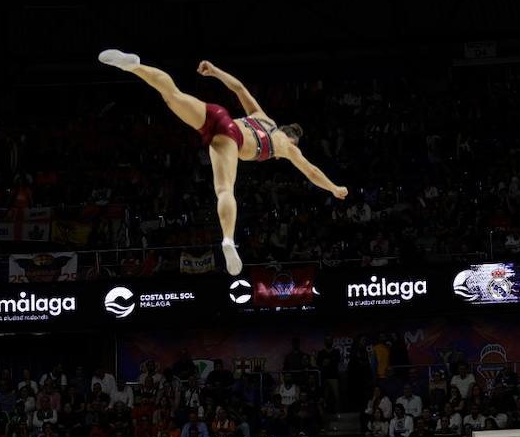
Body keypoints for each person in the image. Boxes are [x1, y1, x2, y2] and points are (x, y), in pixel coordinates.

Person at [98, 51, 346, 275]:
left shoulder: (264, 117)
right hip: (230, 139)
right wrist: (334, 188)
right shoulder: (287, 146)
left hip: (219, 116)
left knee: (172, 95)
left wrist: (215, 71)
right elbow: (311, 172)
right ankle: (228, 239)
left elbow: (239, 88)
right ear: (293, 140)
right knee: (225, 190)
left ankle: (134, 66)